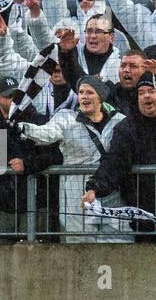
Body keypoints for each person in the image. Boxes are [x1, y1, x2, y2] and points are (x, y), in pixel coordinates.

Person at [20, 76, 130, 242]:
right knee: (80, 246)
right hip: (76, 197)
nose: (84, 96)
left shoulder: (119, 121)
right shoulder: (66, 118)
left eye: (89, 92)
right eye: (80, 92)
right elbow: (47, 133)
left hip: (111, 192)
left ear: (100, 97)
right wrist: (24, 128)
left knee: (120, 241)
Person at [83, 72, 156, 237]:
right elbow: (115, 161)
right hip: (144, 212)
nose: (146, 96)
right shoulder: (128, 128)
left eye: (151, 91)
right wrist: (94, 187)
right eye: (141, 92)